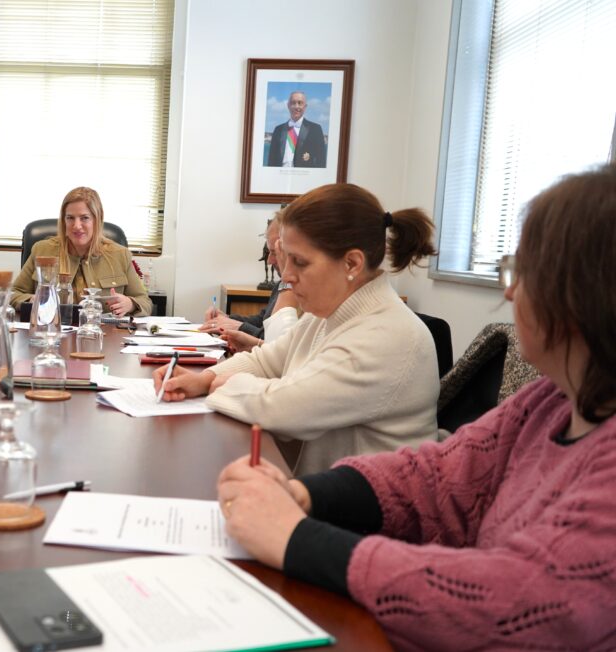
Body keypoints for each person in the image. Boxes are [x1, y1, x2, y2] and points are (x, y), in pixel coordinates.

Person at [217, 164, 616, 651]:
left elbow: (515, 596)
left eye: (522, 271)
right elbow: (438, 476)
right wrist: (307, 495)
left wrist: (296, 538)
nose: (510, 291)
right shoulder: (549, 401)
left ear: (585, 296)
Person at [156, 183, 440, 475]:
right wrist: (205, 378)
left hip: (364, 516)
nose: (287, 275)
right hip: (319, 495)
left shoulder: (388, 337)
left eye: (300, 262)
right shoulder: (327, 314)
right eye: (286, 257)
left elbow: (284, 409)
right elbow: (266, 360)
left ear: (352, 263)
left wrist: (224, 384)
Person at [10, 187, 152, 317]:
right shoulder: (42, 250)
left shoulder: (120, 254)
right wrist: (31, 299)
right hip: (52, 331)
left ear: (97, 220)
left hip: (103, 335)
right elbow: (14, 294)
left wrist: (130, 303)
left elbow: (145, 302)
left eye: (85, 218)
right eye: (70, 218)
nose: (77, 226)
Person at [202, 215, 300, 349]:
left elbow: (278, 344)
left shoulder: (304, 291)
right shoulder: (282, 285)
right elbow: (262, 321)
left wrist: (240, 327)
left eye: (275, 252)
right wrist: (228, 319)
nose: (269, 261)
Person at [266, 91, 327, 168]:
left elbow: (321, 162)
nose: (296, 106)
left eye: (300, 103)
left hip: (304, 177)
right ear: (288, 106)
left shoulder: (315, 129)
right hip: (280, 176)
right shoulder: (278, 130)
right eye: (293, 103)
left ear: (305, 106)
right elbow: (271, 160)